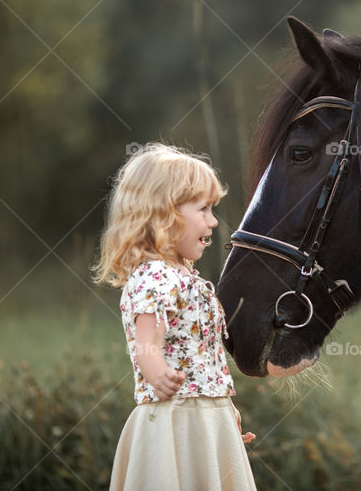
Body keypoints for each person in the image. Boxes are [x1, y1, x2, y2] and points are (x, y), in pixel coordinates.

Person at [92, 142, 256, 491]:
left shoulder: (187, 278)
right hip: (174, 421)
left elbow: (201, 353)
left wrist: (220, 412)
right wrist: (158, 373)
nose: (213, 220)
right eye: (204, 209)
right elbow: (147, 340)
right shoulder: (155, 276)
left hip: (203, 420)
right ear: (164, 213)